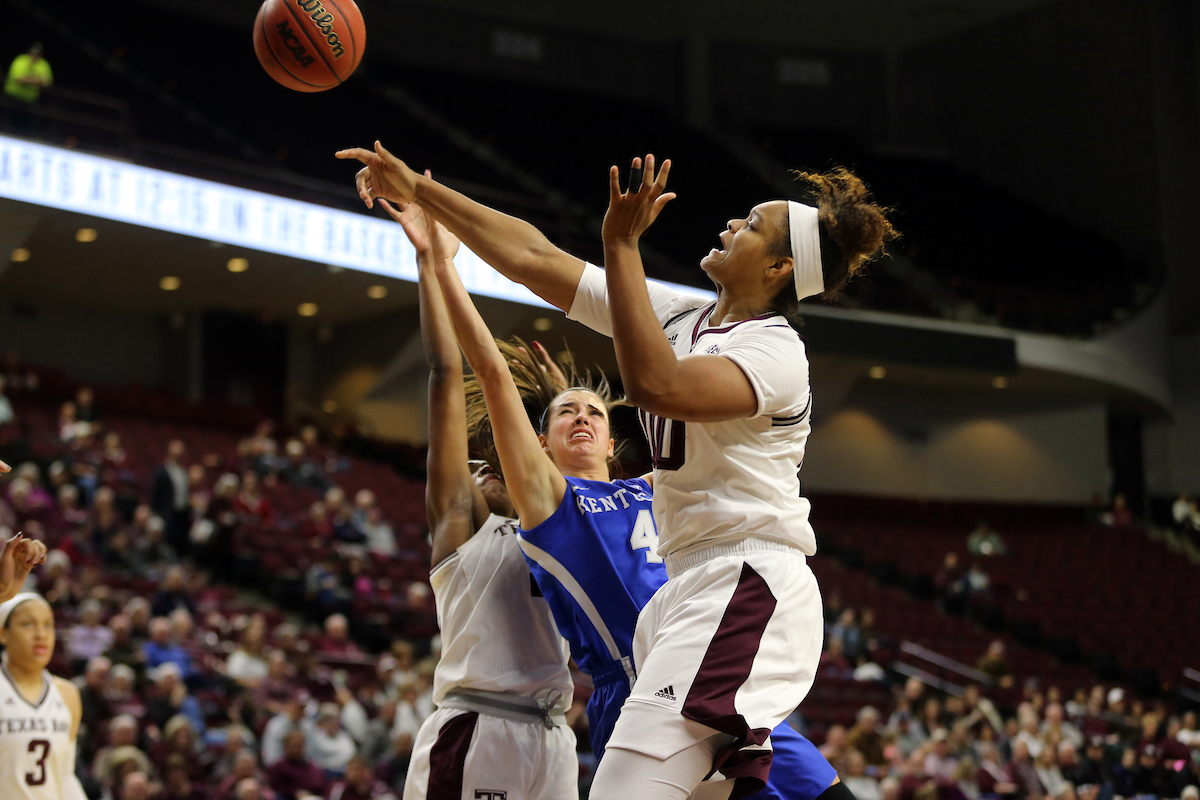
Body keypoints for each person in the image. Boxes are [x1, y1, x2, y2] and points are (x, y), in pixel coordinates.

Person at [339, 140, 893, 799]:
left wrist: (622, 249)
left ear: (778, 267)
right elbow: (533, 260)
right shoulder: (686, 317)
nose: (728, 225)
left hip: (745, 584)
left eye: (749, 225)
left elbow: (658, 386)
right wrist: (419, 189)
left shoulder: (776, 352)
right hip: (681, 599)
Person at [388, 195, 576, 800]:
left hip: (554, 737)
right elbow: (446, 374)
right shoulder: (463, 516)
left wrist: (563, 403)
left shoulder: (573, 518)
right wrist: (430, 263)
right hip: (477, 726)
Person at [0, 593, 88, 800]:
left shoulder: (68, 694)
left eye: (48, 625)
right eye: (28, 624)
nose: (41, 634)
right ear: (3, 633)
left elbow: (65, 775)